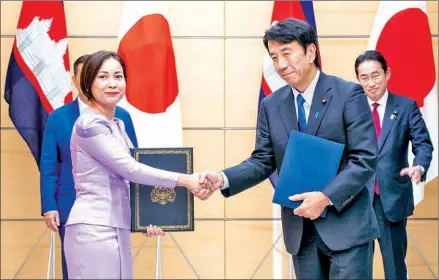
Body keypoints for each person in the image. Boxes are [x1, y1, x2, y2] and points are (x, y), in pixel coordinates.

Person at [200, 18, 380, 279]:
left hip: (347, 230)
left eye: (287, 53)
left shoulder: (348, 94)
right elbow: (263, 160)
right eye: (274, 57)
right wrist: (223, 177)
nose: (281, 65)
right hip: (301, 234)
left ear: (311, 51)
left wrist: (325, 197)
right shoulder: (271, 105)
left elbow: (364, 159)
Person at [63, 50, 211, 279]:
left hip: (116, 227)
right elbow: (130, 170)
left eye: (118, 76)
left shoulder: (117, 124)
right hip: (93, 230)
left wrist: (149, 216)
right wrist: (186, 180)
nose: (112, 83)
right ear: (87, 82)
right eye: (103, 77)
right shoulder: (89, 124)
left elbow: (125, 179)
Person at [39, 54, 138, 279]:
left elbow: (133, 163)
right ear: (75, 80)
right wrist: (49, 205)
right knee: (74, 269)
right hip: (70, 206)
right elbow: (49, 167)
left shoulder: (122, 117)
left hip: (113, 208)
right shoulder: (58, 117)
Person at [355, 50, 433, 280]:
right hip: (358, 200)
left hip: (392, 199)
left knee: (395, 267)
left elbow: (423, 144)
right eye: (364, 77)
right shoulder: (352, 109)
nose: (371, 83)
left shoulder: (406, 107)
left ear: (387, 73)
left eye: (375, 75)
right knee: (357, 268)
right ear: (358, 79)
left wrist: (419, 166)